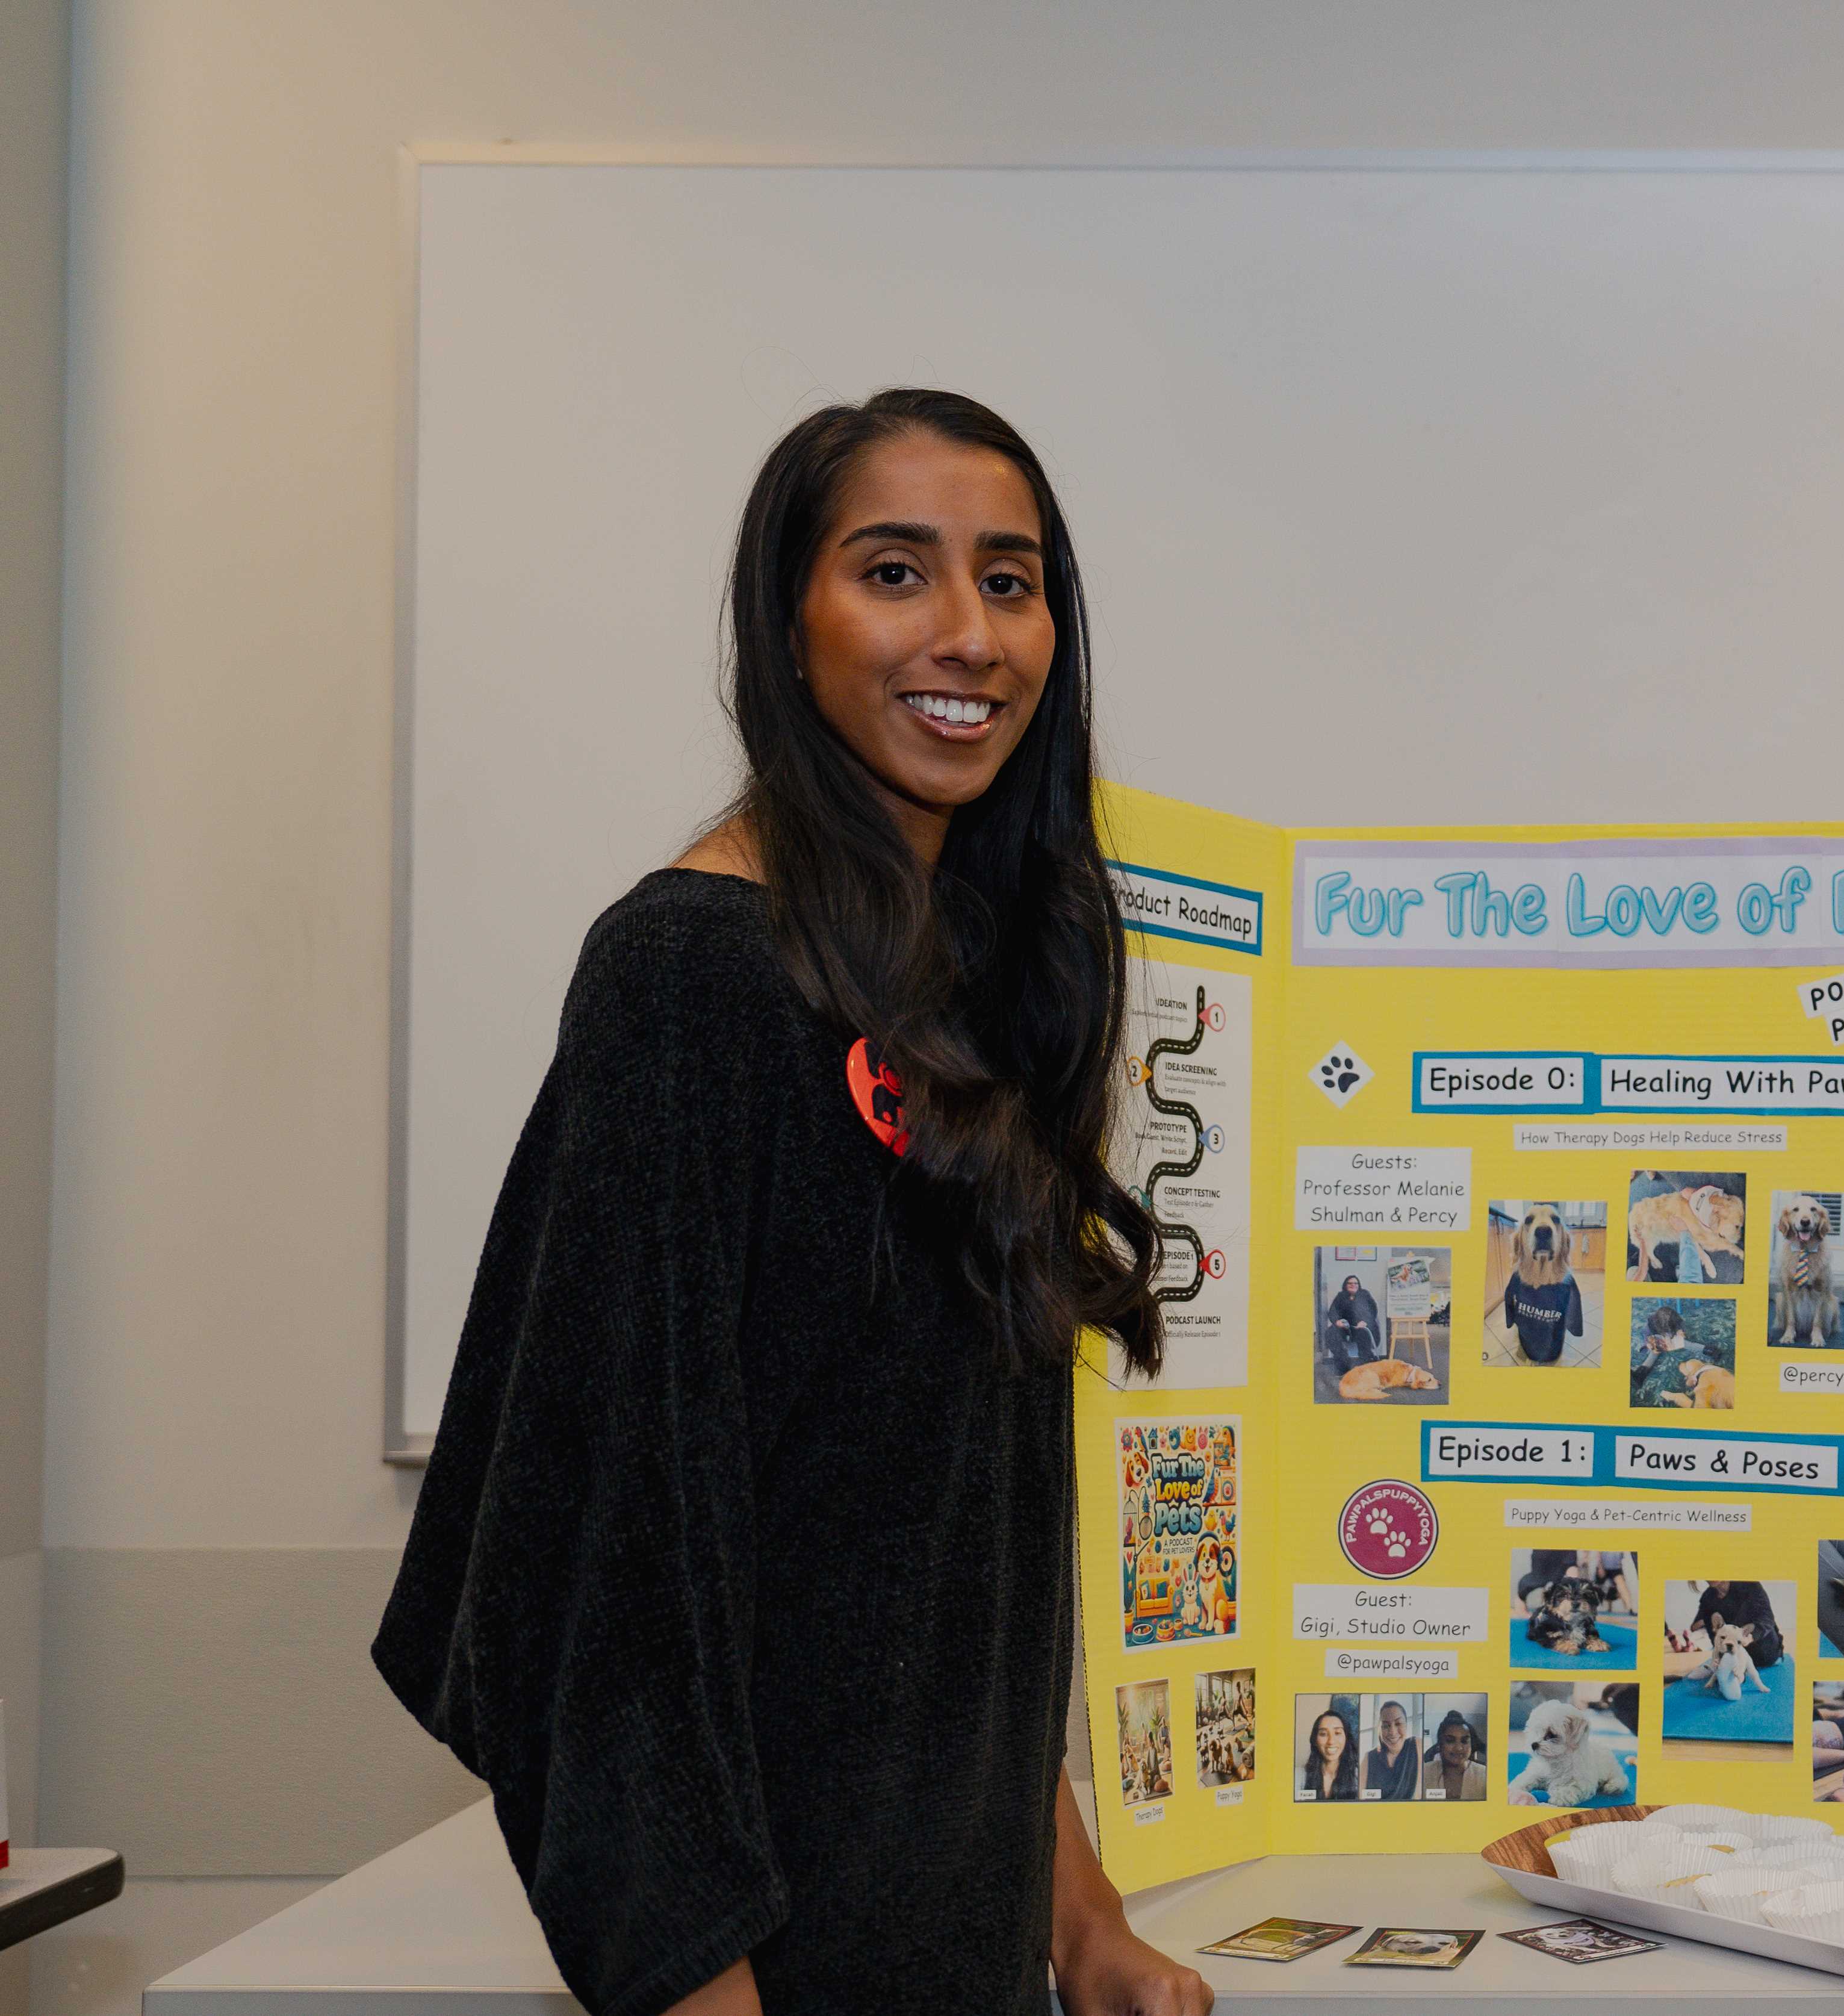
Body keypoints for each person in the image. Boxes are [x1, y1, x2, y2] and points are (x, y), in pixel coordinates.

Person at [372, 391, 1211, 2015]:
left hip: (961, 1960)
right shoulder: (688, 979)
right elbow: (613, 1580)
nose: (969, 633)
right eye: (894, 572)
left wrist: (1083, 1919)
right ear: (785, 623)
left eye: (1011, 580)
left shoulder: (970, 989)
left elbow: (945, 1564)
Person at [1320, 1275, 1382, 1383]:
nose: (1353, 1285)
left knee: (1363, 1336)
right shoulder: (1341, 1296)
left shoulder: (1365, 1295)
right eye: (1350, 1283)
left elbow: (1373, 1310)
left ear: (1359, 1285)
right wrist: (1337, 1321)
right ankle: (1343, 1364)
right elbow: (1333, 1311)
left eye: (1355, 1283)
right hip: (1346, 1327)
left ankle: (1365, 1367)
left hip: (1363, 1326)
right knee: (1331, 1333)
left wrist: (1365, 1321)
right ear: (1346, 1285)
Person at [1301, 1709, 1363, 1803]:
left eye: (1337, 1733)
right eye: (1323, 1734)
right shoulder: (1300, 1777)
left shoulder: (1360, 1777)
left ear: (1346, 1738)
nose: (1331, 1741)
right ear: (1315, 1741)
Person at [1365, 1699, 1421, 1802]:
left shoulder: (1416, 1745)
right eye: (1386, 1726)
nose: (1392, 1732)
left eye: (1398, 1723)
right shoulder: (1369, 1757)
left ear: (1406, 1725)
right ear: (1380, 1729)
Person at [1426, 1712, 1488, 1801]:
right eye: (1450, 1741)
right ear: (1440, 1744)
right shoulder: (1424, 1773)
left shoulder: (1485, 1775)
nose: (1459, 1748)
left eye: (1464, 1741)